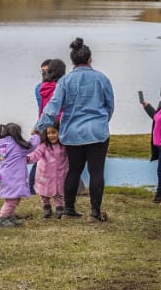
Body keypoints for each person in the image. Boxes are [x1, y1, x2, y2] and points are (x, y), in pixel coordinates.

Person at [34, 38, 114, 222]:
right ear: (90, 59)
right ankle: (94, 212)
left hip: (72, 133)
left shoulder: (65, 81)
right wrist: (102, 122)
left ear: (72, 61)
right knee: (96, 172)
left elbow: (53, 109)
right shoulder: (102, 78)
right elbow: (110, 106)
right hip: (97, 133)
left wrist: (39, 128)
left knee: (73, 171)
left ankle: (69, 209)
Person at [31, 58, 66, 193]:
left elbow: (42, 110)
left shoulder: (39, 88)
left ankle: (35, 188)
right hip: (58, 125)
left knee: (43, 156)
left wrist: (38, 126)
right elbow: (57, 108)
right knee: (61, 157)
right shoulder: (60, 87)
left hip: (44, 124)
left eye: (45, 71)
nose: (44, 74)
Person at [0, 123, 36, 227]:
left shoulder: (2, 145)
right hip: (12, 177)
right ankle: (2, 219)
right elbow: (32, 146)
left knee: (12, 198)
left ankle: (10, 217)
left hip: (4, 177)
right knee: (11, 200)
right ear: (17, 134)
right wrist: (36, 135)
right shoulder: (17, 146)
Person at [27, 124, 69, 218]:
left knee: (59, 193)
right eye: (48, 133)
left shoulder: (65, 146)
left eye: (53, 132)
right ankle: (47, 207)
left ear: (60, 132)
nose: (50, 135)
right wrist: (28, 159)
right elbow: (35, 154)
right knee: (43, 193)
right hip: (44, 174)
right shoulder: (43, 146)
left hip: (60, 174)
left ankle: (59, 209)